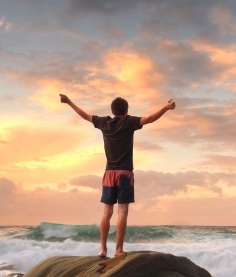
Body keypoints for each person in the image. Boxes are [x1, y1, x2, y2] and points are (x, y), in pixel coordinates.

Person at [60, 94, 176, 257]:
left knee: (107, 212)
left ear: (112, 110)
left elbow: (85, 115)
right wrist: (166, 107)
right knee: (122, 212)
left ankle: (102, 249)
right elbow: (149, 119)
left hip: (109, 173)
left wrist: (69, 102)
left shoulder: (104, 122)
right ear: (126, 110)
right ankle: (119, 249)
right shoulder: (129, 122)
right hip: (124, 173)